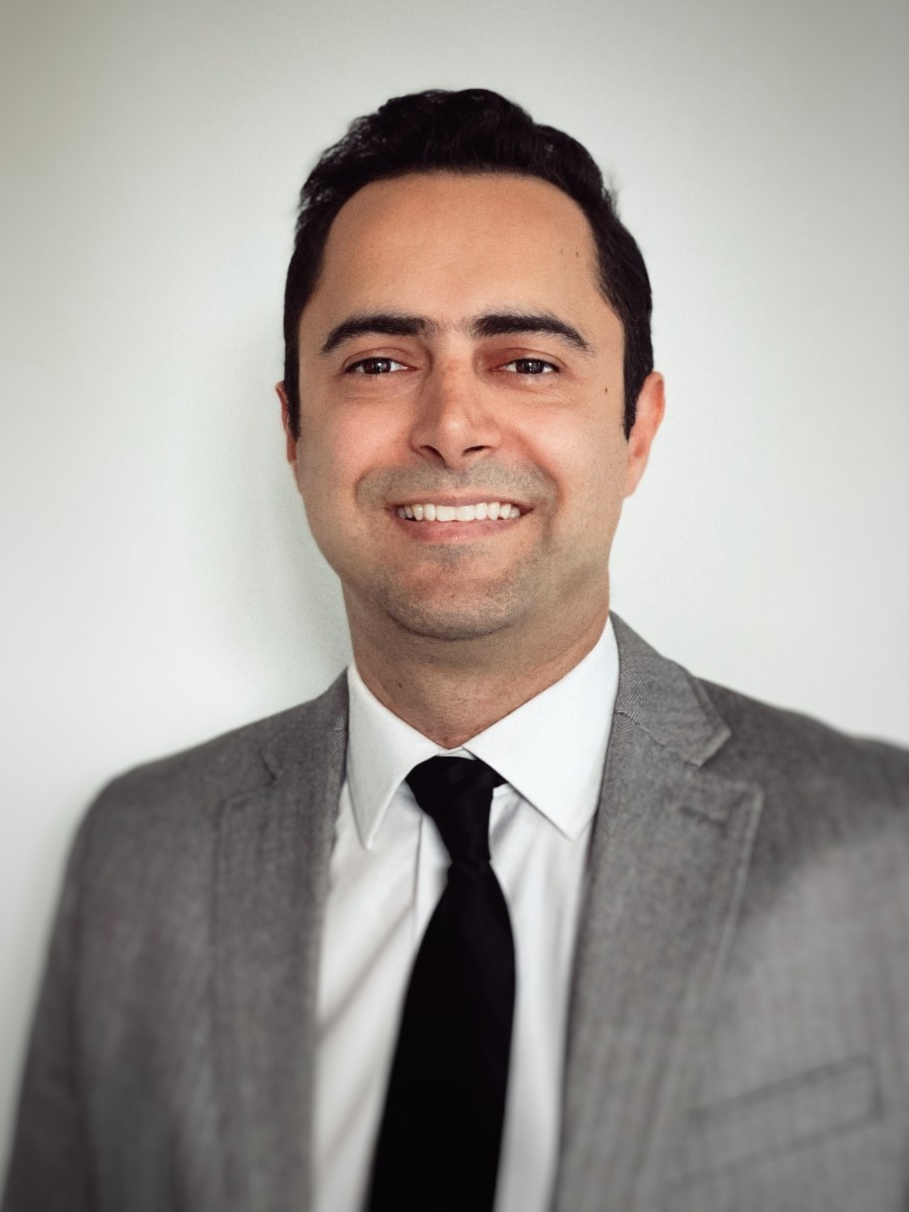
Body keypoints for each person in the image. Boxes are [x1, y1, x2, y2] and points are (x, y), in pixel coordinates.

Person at [3, 88, 908, 1212]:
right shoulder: (136, 855)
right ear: (292, 428)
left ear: (637, 428)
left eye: (526, 362)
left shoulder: (883, 843)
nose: (449, 427)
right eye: (379, 363)